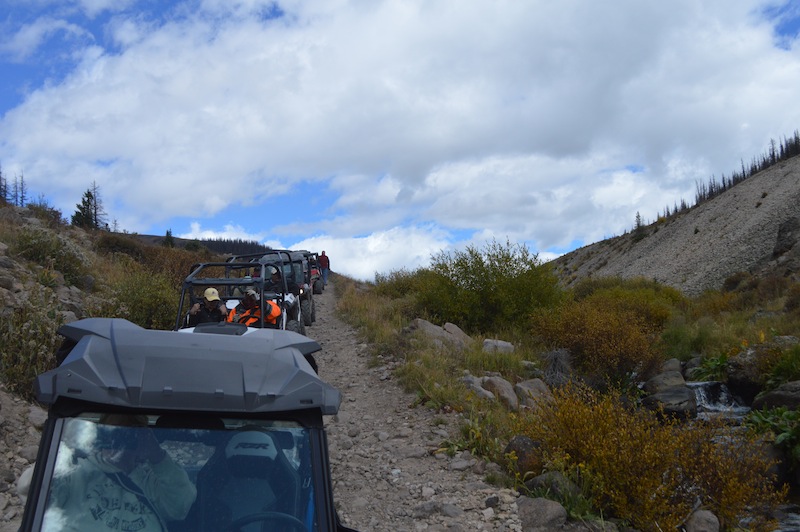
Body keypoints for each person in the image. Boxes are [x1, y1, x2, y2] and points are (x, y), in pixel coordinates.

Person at [43, 414, 196, 531]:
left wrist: (157, 455)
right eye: (112, 433)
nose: (119, 440)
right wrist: (64, 454)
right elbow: (32, 490)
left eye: (128, 433)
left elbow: (181, 507)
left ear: (142, 436)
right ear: (99, 436)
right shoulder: (77, 471)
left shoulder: (153, 480)